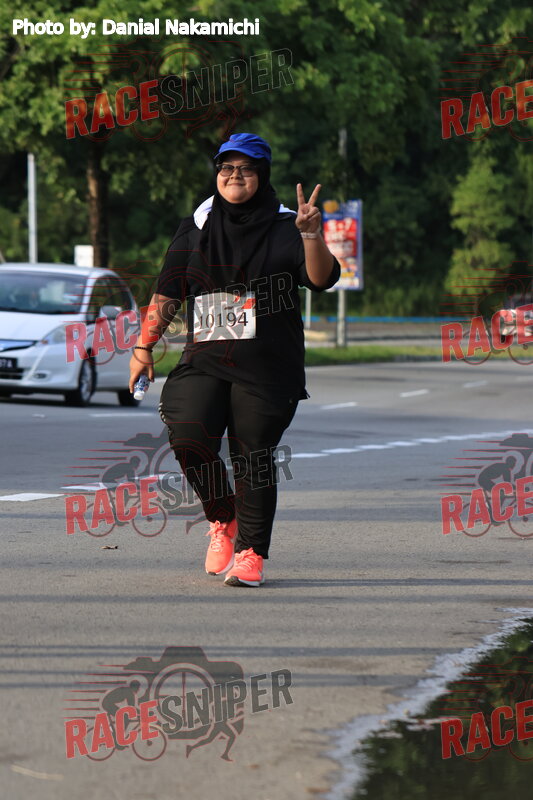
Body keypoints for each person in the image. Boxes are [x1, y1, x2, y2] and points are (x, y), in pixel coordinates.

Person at [129, 132, 340, 587]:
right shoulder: (196, 226)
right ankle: (222, 516)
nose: (234, 176)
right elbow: (168, 291)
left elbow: (321, 279)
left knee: (253, 454)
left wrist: (310, 235)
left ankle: (250, 553)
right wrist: (144, 347)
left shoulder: (287, 226)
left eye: (246, 168)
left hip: (268, 366)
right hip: (205, 356)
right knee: (188, 433)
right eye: (226, 167)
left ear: (261, 175)